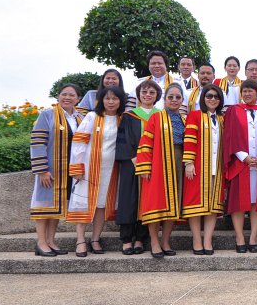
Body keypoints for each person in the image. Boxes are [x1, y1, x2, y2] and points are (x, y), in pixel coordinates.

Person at [68, 86, 125, 256]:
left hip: (110, 170)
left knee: (102, 205)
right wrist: (78, 167)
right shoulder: (92, 117)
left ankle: (95, 239)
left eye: (115, 99)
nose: (111, 102)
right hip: (88, 168)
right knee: (84, 204)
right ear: (101, 100)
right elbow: (79, 142)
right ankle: (80, 240)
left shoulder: (121, 119)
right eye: (107, 98)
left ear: (120, 101)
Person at [30, 84, 83, 257]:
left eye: (71, 95)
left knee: (58, 207)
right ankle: (41, 242)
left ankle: (51, 241)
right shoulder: (47, 115)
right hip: (50, 170)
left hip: (68, 170)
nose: (67, 97)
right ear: (58, 96)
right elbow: (38, 142)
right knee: (44, 205)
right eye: (64, 94)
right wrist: (42, 169)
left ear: (78, 98)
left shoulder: (79, 118)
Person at [136, 83, 187, 258]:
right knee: (156, 203)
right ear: (164, 99)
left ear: (182, 100)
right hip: (159, 162)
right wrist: (144, 166)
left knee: (174, 203)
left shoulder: (184, 119)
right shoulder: (156, 118)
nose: (174, 100)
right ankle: (154, 242)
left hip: (179, 161)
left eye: (178, 97)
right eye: (170, 97)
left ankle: (165, 241)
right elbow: (145, 143)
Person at [115, 80, 162, 256]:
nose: (148, 95)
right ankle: (127, 239)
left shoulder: (160, 115)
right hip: (132, 163)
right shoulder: (130, 115)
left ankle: (142, 238)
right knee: (129, 198)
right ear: (138, 94)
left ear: (157, 96)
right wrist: (134, 158)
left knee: (148, 200)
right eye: (144, 91)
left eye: (152, 92)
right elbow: (125, 139)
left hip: (155, 165)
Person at [223, 81, 257, 253]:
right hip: (240, 163)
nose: (247, 94)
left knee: (256, 202)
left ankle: (254, 236)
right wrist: (244, 156)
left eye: (250, 91)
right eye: (244, 91)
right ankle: (239, 236)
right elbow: (230, 135)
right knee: (239, 202)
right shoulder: (234, 110)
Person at [182, 84, 225, 255]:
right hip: (198, 167)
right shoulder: (194, 116)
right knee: (195, 204)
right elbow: (189, 139)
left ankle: (207, 239)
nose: (212, 99)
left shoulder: (223, 118)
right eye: (209, 96)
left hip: (217, 168)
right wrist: (188, 162)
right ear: (203, 98)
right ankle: (196, 239)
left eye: (216, 96)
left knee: (213, 206)